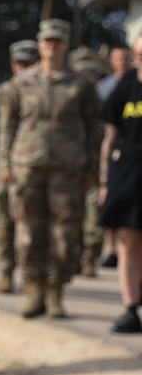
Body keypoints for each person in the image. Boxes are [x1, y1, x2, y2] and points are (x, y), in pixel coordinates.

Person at [0, 19, 102, 320]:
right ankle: (33, 290)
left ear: (66, 44)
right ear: (40, 43)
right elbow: (7, 125)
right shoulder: (21, 82)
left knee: (65, 233)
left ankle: (55, 292)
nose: (51, 45)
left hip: (67, 169)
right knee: (29, 230)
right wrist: (4, 162)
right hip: (27, 165)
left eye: (57, 41)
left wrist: (93, 166)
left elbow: (95, 127)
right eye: (46, 41)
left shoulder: (80, 83)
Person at [0, 39, 39, 293]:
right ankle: (5, 272)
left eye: (28, 63)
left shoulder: (41, 95)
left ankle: (31, 276)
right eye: (19, 63)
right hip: (3, 172)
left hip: (33, 172)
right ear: (12, 64)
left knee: (32, 227)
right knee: (4, 225)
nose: (23, 68)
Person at [99, 34, 142, 333]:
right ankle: (130, 308)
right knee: (128, 241)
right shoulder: (125, 86)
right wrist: (105, 181)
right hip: (127, 170)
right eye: (140, 53)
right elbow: (109, 136)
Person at [68, 47, 113, 278]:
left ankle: (90, 258)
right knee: (71, 214)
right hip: (71, 166)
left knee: (94, 215)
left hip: (97, 166)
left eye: (93, 74)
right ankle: (73, 257)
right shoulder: (70, 100)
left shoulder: (106, 101)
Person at [96, 44, 133, 268]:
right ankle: (111, 250)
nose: (122, 62)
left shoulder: (134, 83)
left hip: (131, 153)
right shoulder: (104, 88)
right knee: (111, 206)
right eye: (117, 58)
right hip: (111, 150)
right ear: (111, 62)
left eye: (126, 58)